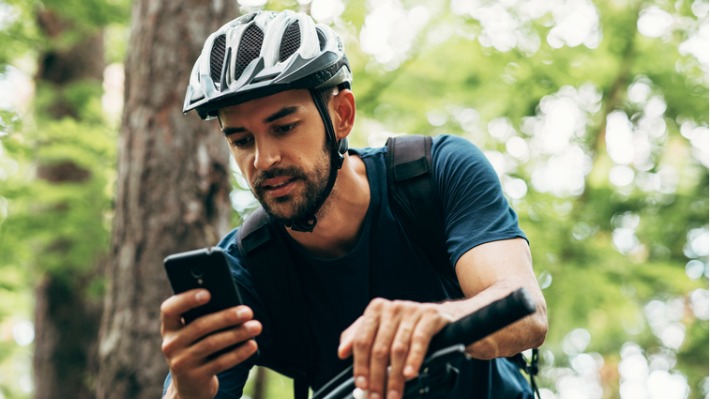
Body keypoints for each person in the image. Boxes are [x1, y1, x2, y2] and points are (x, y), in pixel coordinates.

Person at [160, 9, 547, 399]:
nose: (263, 159)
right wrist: (187, 388)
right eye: (242, 140)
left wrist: (439, 317)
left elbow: (527, 310)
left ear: (341, 115)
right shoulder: (244, 270)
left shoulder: (437, 174)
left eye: (284, 128)